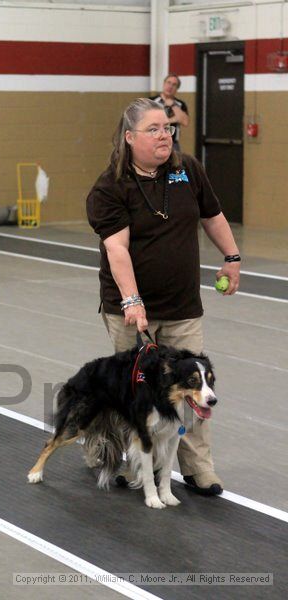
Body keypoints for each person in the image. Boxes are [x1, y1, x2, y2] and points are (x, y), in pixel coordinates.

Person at [86, 98, 241, 496]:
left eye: (167, 127)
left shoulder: (187, 169)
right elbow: (117, 249)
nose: (164, 135)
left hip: (183, 305)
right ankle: (118, 459)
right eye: (153, 128)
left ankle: (197, 468)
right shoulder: (110, 187)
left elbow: (212, 214)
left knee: (194, 388)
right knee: (130, 391)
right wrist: (132, 302)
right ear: (129, 137)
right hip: (130, 308)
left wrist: (232, 257)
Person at [150, 73, 189, 151]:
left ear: (177, 89)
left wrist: (173, 105)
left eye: (174, 85)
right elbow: (150, 120)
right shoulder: (151, 101)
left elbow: (185, 122)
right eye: (169, 83)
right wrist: (174, 119)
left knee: (175, 163)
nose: (170, 86)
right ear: (164, 84)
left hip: (173, 143)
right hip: (154, 140)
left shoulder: (180, 104)